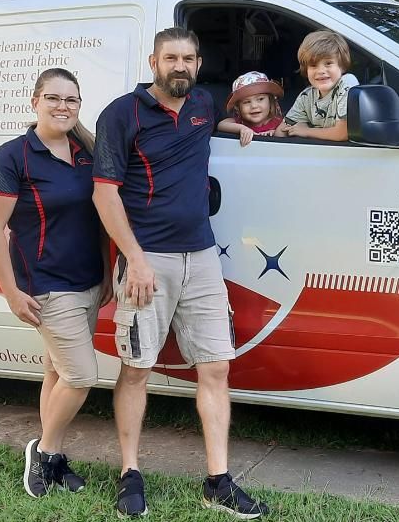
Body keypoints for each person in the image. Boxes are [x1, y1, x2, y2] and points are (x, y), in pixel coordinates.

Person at [93, 27, 270, 519]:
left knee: (215, 367)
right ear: (154, 61)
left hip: (202, 257)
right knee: (136, 368)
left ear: (197, 64)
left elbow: (222, 120)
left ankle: (218, 479)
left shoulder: (203, 104)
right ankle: (130, 473)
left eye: (189, 58)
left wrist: (239, 127)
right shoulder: (122, 114)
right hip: (147, 258)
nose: (181, 66)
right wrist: (136, 258)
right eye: (171, 57)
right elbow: (105, 194)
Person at [0, 67, 112, 498]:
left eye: (71, 100)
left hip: (89, 280)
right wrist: (11, 292)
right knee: (81, 376)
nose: (63, 107)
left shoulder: (86, 152)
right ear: (34, 101)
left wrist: (108, 272)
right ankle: (44, 450)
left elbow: (99, 219)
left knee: (56, 369)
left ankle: (53, 462)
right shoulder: (11, 158)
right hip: (47, 286)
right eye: (53, 98)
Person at [275, 30, 359, 142]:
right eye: (313, 65)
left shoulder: (347, 82)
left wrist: (306, 131)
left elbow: (342, 133)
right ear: (306, 70)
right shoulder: (306, 96)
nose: (321, 71)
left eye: (328, 63)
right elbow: (281, 132)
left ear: (342, 65)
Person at [216, 71, 285, 146]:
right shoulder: (241, 122)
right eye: (246, 102)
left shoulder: (279, 123)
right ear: (238, 108)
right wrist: (242, 129)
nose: (254, 106)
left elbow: (288, 131)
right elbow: (221, 125)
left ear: (270, 101)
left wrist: (276, 133)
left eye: (260, 99)